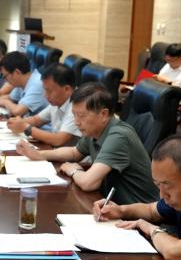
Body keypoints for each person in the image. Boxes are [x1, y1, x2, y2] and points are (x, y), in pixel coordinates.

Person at [16, 82, 158, 204]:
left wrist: (73, 170)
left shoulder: (119, 136)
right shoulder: (94, 130)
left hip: (138, 215)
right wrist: (40, 155)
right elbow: (74, 153)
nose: (76, 122)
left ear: (103, 114)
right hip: (112, 206)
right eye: (74, 115)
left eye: (81, 116)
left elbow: (88, 183)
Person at [7, 63, 80, 147]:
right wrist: (17, 122)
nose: (45, 95)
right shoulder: (57, 101)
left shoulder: (77, 105)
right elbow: (36, 120)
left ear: (66, 89)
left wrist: (26, 128)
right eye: (45, 90)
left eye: (49, 91)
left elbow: (59, 140)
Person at [0, 51, 47, 117]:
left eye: (5, 76)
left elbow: (17, 111)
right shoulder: (22, 82)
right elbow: (10, 98)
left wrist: (3, 102)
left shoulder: (37, 84)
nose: (6, 81)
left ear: (17, 72)